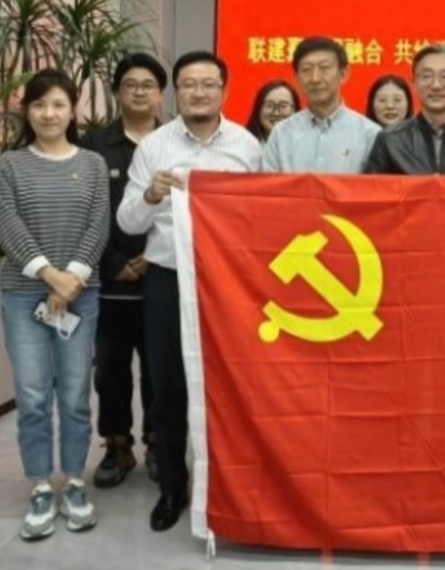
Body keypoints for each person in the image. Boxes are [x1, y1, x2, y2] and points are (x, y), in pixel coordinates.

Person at [117, 51, 262, 532]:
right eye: (189, 84)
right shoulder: (154, 147)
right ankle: (172, 487)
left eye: (208, 84)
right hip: (168, 278)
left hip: (230, 282)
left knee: (233, 384)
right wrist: (151, 195)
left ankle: (229, 486)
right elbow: (127, 221)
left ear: (224, 90)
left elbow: (261, 218)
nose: (199, 92)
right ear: (176, 92)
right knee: (168, 387)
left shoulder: (247, 147)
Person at [0, 68, 110, 541]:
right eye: (39, 105)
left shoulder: (93, 164)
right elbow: (9, 225)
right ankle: (41, 485)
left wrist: (71, 279)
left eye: (58, 104)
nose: (48, 113)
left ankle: (75, 481)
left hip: (81, 296)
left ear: (72, 110)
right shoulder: (9, 165)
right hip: (23, 297)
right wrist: (50, 276)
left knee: (76, 395)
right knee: (33, 396)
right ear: (27, 112)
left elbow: (98, 224)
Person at [81, 53, 166, 489]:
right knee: (109, 371)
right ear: (117, 91)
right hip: (109, 281)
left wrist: (153, 256)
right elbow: (87, 210)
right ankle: (117, 445)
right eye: (130, 84)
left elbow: (184, 209)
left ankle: (157, 442)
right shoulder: (95, 145)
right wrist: (114, 263)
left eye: (148, 84)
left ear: (160, 94)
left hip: (161, 275)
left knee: (159, 370)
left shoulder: (173, 143)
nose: (139, 91)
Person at [364, 44, 445, 175]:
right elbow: (373, 187)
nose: (436, 85)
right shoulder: (390, 140)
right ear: (414, 82)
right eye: (426, 76)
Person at [263, 37, 381, 173]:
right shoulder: (281, 134)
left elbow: (377, 185)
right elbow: (269, 185)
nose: (315, 78)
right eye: (306, 69)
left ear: (344, 74)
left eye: (324, 68)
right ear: (296, 78)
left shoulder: (369, 134)